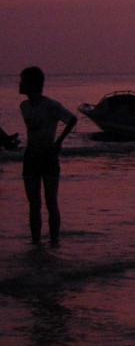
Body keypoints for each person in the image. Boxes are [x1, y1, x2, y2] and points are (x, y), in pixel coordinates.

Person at [18, 67, 77, 245]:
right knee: (34, 203)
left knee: (51, 201)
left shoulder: (50, 105)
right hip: (31, 155)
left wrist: (58, 142)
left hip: (48, 155)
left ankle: (54, 240)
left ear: (33, 84)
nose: (20, 84)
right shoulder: (24, 106)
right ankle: (35, 241)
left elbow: (72, 119)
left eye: (23, 81)